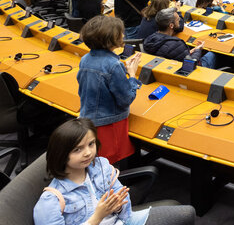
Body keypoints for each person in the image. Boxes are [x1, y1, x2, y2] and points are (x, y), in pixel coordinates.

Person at [33, 118, 196, 225]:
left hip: (122, 221)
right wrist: (97, 217)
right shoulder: (51, 202)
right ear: (61, 154)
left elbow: (124, 207)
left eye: (91, 144)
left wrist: (118, 207)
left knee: (187, 213)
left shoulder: (101, 166)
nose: (88, 153)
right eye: (78, 149)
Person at [76, 16, 141, 164]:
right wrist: (132, 75)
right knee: (110, 165)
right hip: (109, 125)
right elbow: (126, 99)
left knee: (97, 161)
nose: (123, 35)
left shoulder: (85, 59)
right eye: (121, 33)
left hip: (88, 120)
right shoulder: (113, 65)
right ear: (112, 38)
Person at [143, 8, 216, 67]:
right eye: (178, 20)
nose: (180, 21)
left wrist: (193, 50)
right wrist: (198, 50)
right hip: (189, 74)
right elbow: (191, 64)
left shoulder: (149, 39)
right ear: (171, 25)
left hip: (165, 70)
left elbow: (177, 55)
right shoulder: (177, 44)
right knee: (212, 55)